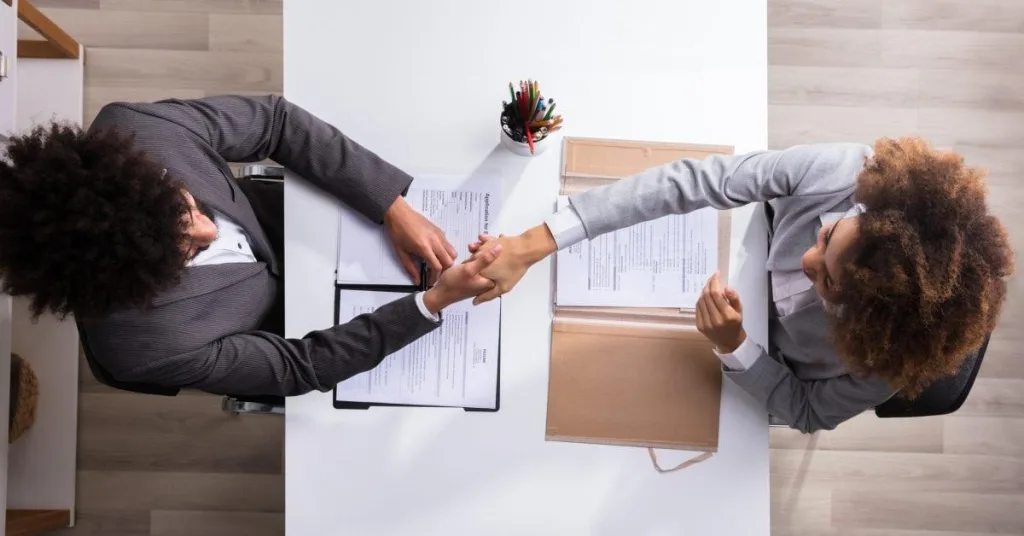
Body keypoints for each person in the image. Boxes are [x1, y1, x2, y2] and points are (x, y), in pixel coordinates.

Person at [466, 137, 1014, 433]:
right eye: (828, 234)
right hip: (719, 251)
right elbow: (703, 180)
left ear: (869, 321)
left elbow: (807, 411)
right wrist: (537, 242)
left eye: (826, 281)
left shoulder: (889, 362)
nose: (805, 256)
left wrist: (736, 347)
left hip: (742, 370)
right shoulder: (844, 171)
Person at [0, 95, 501, 397]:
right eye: (184, 250)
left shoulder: (140, 130)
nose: (209, 231)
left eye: (187, 207)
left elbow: (276, 122)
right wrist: (432, 304)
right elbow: (298, 366)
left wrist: (390, 205)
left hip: (304, 219)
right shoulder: (145, 348)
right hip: (294, 324)